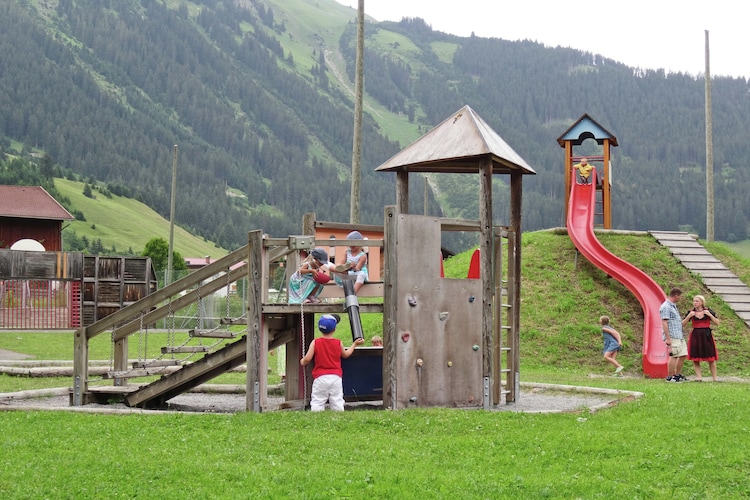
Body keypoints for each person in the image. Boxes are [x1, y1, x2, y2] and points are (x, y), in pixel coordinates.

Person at [300, 314, 364, 411]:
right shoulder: (338, 343)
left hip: (320, 377)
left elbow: (308, 359)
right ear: (334, 329)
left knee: (318, 400)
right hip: (335, 377)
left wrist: (303, 361)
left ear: (319, 328)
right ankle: (338, 416)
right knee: (337, 400)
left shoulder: (315, 342)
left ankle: (316, 416)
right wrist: (354, 344)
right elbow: (345, 355)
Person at [683, 295, 720, 382]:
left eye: (697, 301)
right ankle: (699, 377)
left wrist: (710, 315)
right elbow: (682, 324)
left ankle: (715, 378)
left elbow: (717, 323)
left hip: (707, 335)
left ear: (702, 302)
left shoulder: (708, 311)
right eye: (694, 301)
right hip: (696, 335)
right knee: (696, 357)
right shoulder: (690, 312)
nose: (694, 303)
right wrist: (688, 317)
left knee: (711, 357)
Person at [660, 287, 687, 382]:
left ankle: (677, 375)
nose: (680, 298)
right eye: (679, 296)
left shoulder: (673, 306)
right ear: (676, 296)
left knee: (682, 354)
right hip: (672, 335)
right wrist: (668, 338)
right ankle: (670, 376)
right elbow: (664, 323)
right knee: (674, 355)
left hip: (679, 335)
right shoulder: (666, 306)